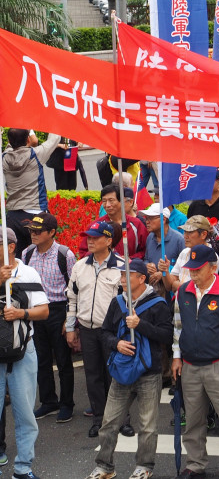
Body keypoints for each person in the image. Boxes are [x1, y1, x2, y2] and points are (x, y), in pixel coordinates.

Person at [88, 259, 172, 479]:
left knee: (148, 426)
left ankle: (145, 465)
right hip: (122, 372)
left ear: (142, 278)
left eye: (127, 275)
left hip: (149, 372)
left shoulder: (158, 304)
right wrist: (116, 344)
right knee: (108, 423)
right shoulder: (117, 302)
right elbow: (104, 331)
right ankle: (105, 466)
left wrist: (140, 325)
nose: (122, 279)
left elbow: (166, 335)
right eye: (122, 275)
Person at [172, 244, 219, 479]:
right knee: (194, 419)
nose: (193, 273)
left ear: (212, 268)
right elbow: (177, 328)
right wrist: (176, 357)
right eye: (191, 269)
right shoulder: (183, 292)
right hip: (190, 366)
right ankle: (195, 464)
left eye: (198, 268)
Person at [67, 221, 131, 438]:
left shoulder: (123, 266)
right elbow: (72, 299)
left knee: (116, 375)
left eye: (95, 237)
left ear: (109, 240)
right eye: (88, 237)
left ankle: (122, 420)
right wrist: (70, 328)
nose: (90, 241)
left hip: (113, 332)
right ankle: (99, 419)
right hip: (88, 329)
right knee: (93, 376)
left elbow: (131, 301)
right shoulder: (79, 266)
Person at [0, 227, 48, 479]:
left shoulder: (28, 272)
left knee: (26, 413)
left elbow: (44, 310)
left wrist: (21, 313)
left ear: (10, 247)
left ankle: (23, 468)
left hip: (23, 349)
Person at [22, 213, 77, 423]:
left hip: (58, 310)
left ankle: (66, 403)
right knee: (41, 359)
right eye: (31, 231)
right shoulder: (27, 253)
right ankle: (48, 402)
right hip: (36, 310)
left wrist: (69, 320)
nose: (33, 235)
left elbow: (74, 289)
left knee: (63, 360)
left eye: (38, 231)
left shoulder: (65, 255)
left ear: (52, 233)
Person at [2, 128, 61, 253]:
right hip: (35, 215)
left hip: (12, 215)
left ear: (9, 141)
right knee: (39, 257)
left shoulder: (4, 157)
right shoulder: (36, 154)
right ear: (28, 139)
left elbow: (12, 143)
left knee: (15, 259)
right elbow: (55, 138)